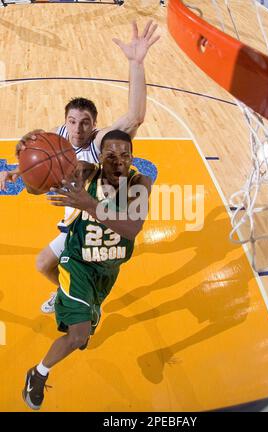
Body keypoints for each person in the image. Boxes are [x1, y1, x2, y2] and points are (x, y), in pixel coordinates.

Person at [0, 20, 159, 313]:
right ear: (65, 121)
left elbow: (135, 116)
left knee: (48, 264)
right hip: (74, 214)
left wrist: (136, 63)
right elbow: (41, 165)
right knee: (45, 266)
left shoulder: (99, 142)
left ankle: (86, 302)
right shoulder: (57, 137)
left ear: (94, 124)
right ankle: (69, 293)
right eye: (73, 121)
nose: (78, 128)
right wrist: (16, 171)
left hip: (94, 218)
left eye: (85, 122)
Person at [22, 129, 151, 411]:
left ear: (132, 156)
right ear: (99, 156)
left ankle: (69, 305)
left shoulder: (140, 183)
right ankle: (38, 374)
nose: (118, 162)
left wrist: (90, 205)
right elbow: (38, 185)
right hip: (77, 263)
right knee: (79, 336)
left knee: (85, 329)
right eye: (110, 156)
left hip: (107, 271)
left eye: (125, 155)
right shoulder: (84, 173)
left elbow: (132, 228)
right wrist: (23, 168)